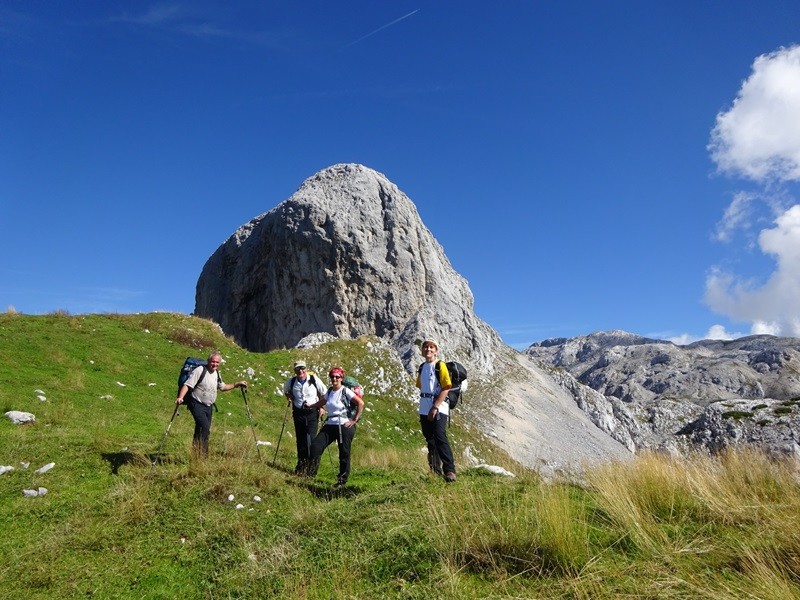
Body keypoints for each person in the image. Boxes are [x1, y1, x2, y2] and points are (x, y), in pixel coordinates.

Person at [176, 351, 247, 456]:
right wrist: (180, 398)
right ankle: (203, 455)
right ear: (208, 361)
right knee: (204, 427)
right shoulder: (200, 370)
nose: (215, 364)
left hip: (208, 406)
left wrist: (237, 384)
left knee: (202, 429)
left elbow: (222, 387)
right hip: (196, 403)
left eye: (217, 362)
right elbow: (187, 385)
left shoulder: (216, 373)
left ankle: (196, 454)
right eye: (213, 362)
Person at [307, 367, 364, 487]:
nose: (334, 379)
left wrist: (354, 420)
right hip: (331, 423)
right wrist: (311, 406)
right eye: (332, 376)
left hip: (344, 424)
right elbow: (323, 401)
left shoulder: (345, 391)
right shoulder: (330, 391)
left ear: (341, 378)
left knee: (344, 452)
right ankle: (310, 475)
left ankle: (342, 481)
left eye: (337, 377)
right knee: (316, 446)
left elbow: (360, 403)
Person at [416, 338, 457, 482]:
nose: (428, 349)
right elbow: (420, 386)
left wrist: (435, 406)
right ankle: (435, 471)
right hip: (424, 406)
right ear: (422, 351)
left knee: (440, 437)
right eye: (426, 347)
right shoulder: (422, 367)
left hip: (439, 406)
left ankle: (450, 470)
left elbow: (446, 387)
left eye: (431, 347)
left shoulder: (440, 365)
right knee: (430, 439)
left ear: (436, 350)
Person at [283, 360, 327, 475]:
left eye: (302, 368)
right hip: (298, 413)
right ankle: (301, 467)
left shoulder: (314, 380)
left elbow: (325, 393)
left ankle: (311, 469)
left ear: (306, 369)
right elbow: (286, 391)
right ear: (295, 371)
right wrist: (289, 397)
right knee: (301, 440)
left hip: (312, 413)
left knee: (311, 441)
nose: (300, 371)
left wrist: (322, 407)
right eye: (298, 369)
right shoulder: (291, 382)